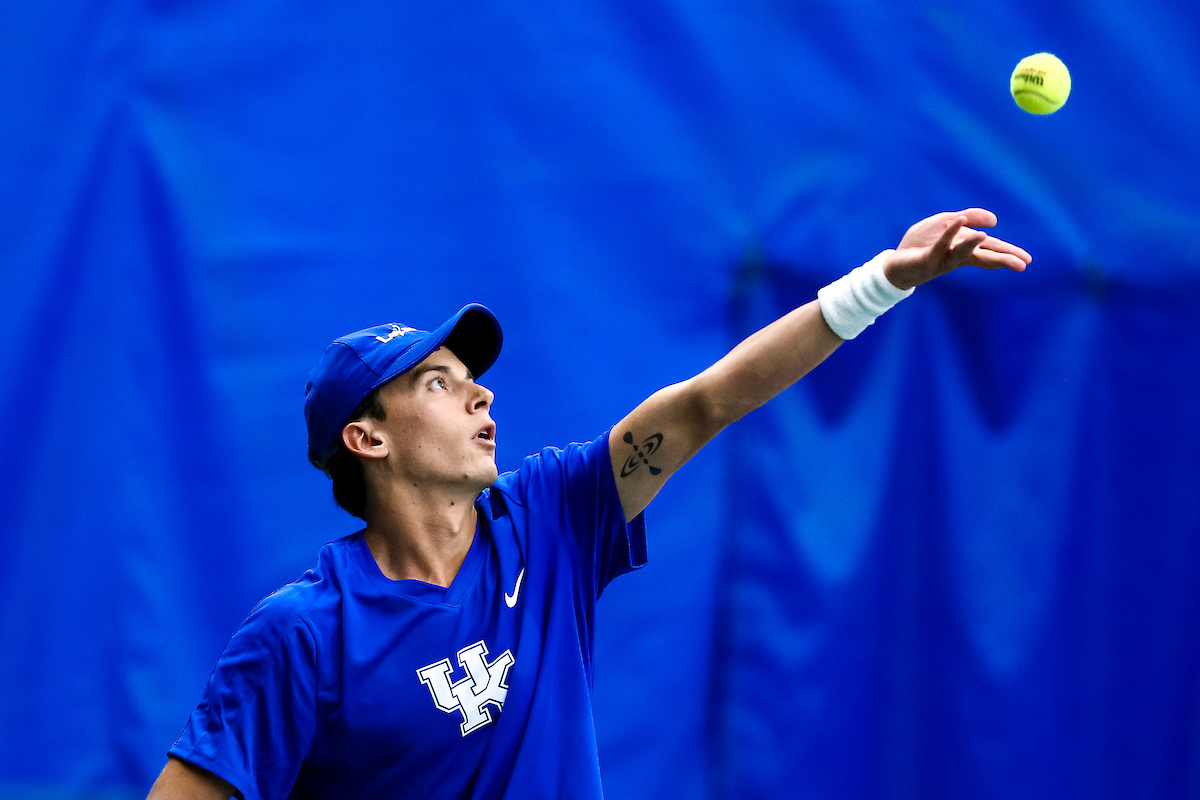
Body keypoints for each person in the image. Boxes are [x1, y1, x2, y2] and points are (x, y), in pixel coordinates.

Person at [146, 209, 1030, 800]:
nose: (481, 398)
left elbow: (708, 401)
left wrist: (887, 279)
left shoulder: (552, 519)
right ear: (367, 438)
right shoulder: (305, 633)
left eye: (476, 381)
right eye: (440, 385)